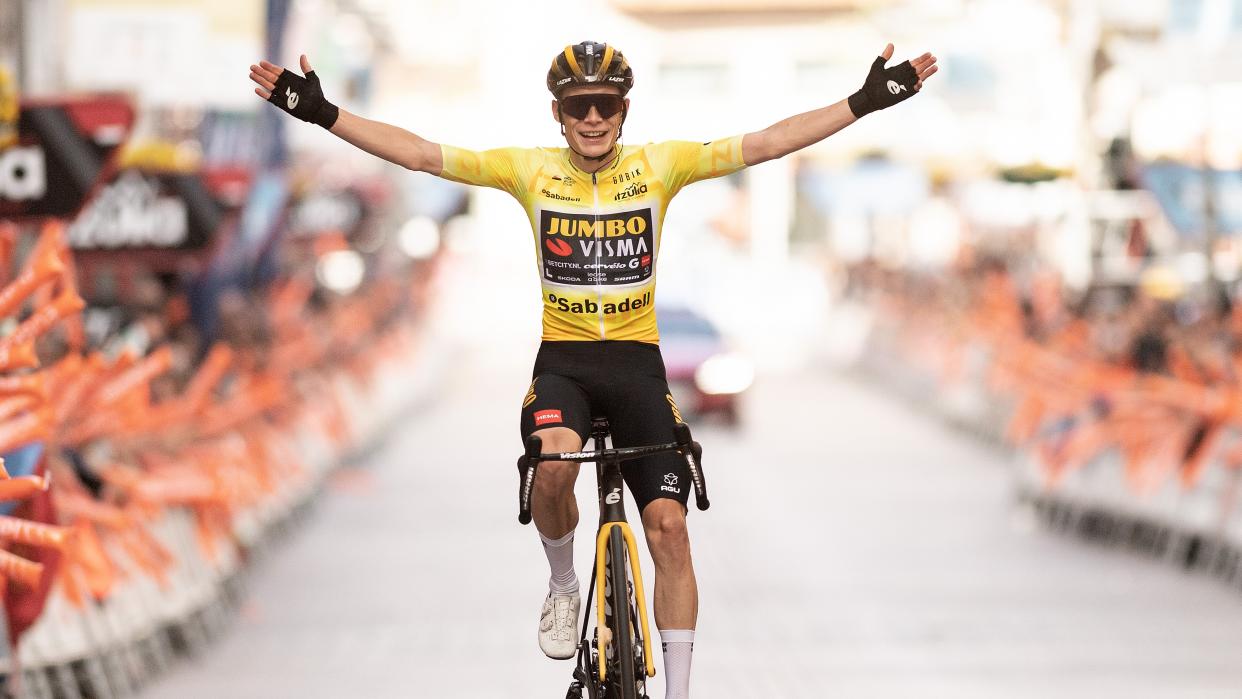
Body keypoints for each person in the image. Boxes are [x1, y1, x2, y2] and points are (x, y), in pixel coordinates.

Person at [250, 40, 936, 698]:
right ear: (557, 112)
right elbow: (424, 155)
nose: (592, 118)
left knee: (668, 525)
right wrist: (325, 113)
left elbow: (766, 142)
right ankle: (560, 582)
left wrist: (862, 102)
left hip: (639, 368)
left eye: (606, 104)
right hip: (565, 367)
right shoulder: (529, 170)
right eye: (577, 106)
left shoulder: (663, 165)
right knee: (553, 464)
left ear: (625, 110)